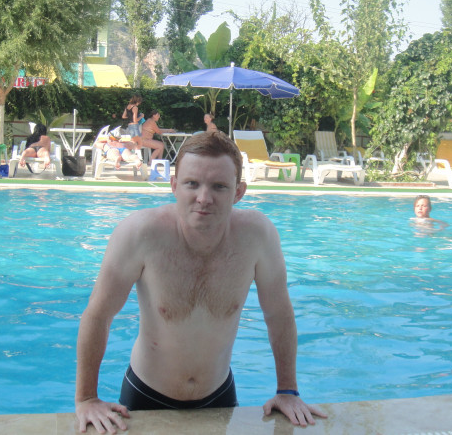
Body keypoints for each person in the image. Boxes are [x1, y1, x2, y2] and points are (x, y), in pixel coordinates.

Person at [75, 132, 327, 433]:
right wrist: (86, 398)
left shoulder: (257, 237)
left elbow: (279, 314)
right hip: (145, 394)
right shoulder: (140, 234)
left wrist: (288, 391)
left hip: (218, 396)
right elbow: (98, 314)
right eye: (192, 183)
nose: (204, 198)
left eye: (219, 186)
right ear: (173, 185)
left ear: (239, 192)